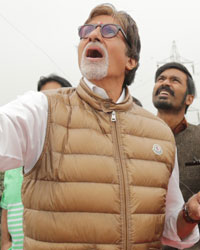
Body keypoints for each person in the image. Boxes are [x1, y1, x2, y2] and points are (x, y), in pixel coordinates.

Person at [0, 3, 199, 249]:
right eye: (86, 31)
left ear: (131, 60)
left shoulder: (160, 135)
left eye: (108, 31)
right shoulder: (43, 110)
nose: (93, 34)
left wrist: (189, 214)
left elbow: (166, 225)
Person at [0, 74, 72, 250]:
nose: (46, 107)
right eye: (43, 99)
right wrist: (5, 243)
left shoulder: (76, 158)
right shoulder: (14, 161)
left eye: (56, 97)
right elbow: (6, 206)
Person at [152, 62, 200, 250]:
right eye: (161, 79)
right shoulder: (135, 136)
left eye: (175, 80)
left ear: (189, 98)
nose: (165, 83)